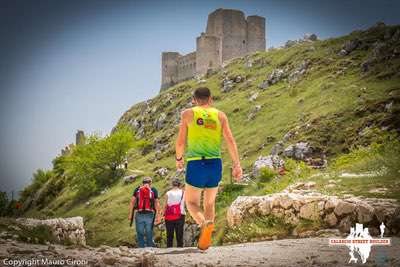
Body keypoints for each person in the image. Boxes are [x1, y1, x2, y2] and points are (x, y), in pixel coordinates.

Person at [175, 87, 242, 250]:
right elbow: (230, 141)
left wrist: (178, 158)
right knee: (210, 204)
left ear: (194, 99)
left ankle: (204, 224)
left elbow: (180, 142)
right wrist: (237, 164)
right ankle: (208, 238)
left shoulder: (187, 114)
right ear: (211, 99)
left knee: (191, 203)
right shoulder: (220, 115)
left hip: (196, 163)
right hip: (215, 164)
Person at [128, 176, 161, 248]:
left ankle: (141, 248)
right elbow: (157, 203)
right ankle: (150, 248)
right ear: (150, 183)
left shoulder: (137, 189)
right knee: (149, 232)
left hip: (139, 214)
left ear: (142, 183)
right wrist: (158, 215)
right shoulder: (153, 190)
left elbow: (132, 202)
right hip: (150, 214)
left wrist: (130, 214)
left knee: (140, 233)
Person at [164, 179, 186, 247]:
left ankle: (169, 247)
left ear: (172, 185)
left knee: (169, 234)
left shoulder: (168, 193)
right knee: (179, 234)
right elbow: (185, 203)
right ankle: (179, 248)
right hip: (180, 214)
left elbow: (165, 206)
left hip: (169, 215)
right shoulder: (183, 192)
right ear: (179, 185)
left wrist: (162, 214)